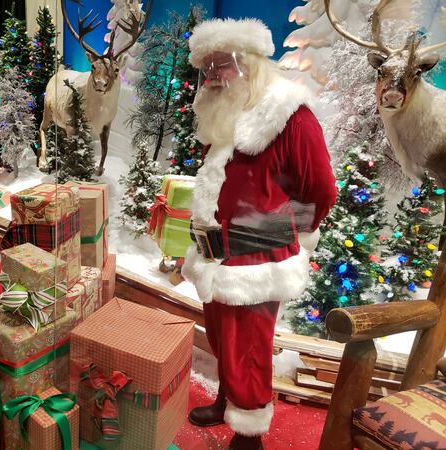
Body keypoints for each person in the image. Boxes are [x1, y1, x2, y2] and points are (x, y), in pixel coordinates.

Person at [182, 19, 337, 449]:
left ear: (250, 65)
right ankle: (228, 398)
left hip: (256, 263)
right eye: (207, 68)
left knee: (248, 349)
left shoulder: (290, 117)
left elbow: (322, 190)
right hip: (218, 258)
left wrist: (288, 236)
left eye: (222, 66)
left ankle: (249, 435)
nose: (212, 77)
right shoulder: (232, 111)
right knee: (223, 340)